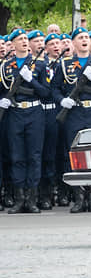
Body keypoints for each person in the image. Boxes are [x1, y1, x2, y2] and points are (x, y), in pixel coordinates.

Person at [50, 27, 91, 212]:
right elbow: (54, 88)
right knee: (75, 156)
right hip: (74, 113)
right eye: (80, 38)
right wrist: (62, 100)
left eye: (87, 37)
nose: (85, 40)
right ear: (73, 42)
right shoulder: (64, 64)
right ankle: (78, 198)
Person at [0, 29, 51, 214]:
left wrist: (33, 81)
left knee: (34, 156)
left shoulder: (39, 65)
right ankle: (19, 199)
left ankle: (32, 199)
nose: (23, 41)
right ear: (12, 44)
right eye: (19, 39)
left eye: (24, 39)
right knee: (16, 157)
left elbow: (46, 92)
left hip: (34, 112)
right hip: (14, 113)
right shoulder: (5, 66)